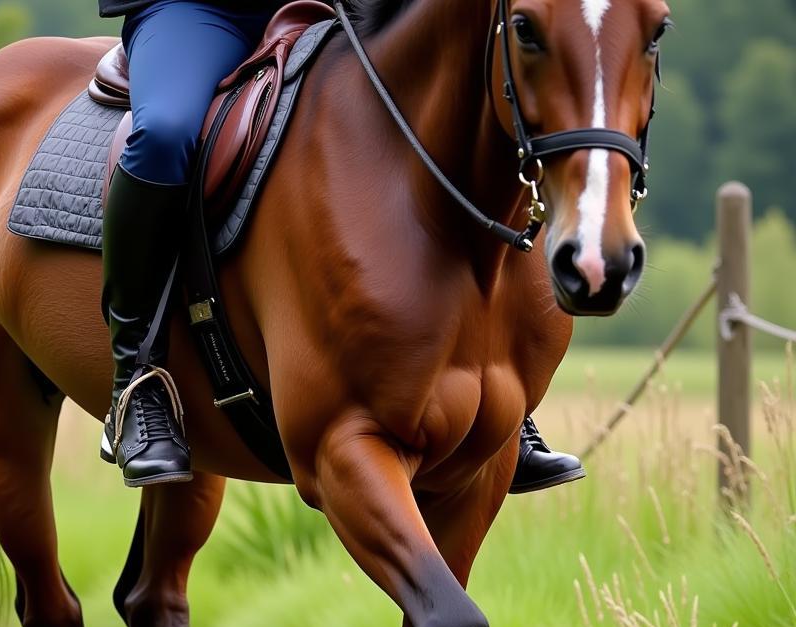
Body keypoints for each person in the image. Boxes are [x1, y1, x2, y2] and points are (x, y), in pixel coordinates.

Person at [96, 0, 584, 493]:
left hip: (339, 5)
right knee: (164, 135)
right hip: (199, 12)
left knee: (465, 89)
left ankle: (495, 400)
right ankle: (137, 381)